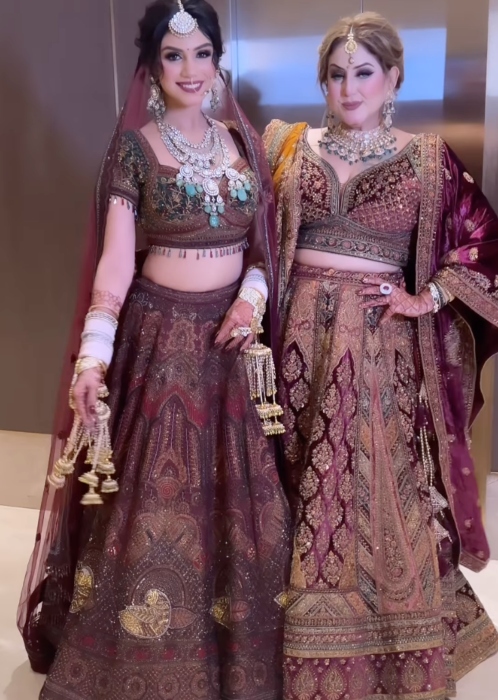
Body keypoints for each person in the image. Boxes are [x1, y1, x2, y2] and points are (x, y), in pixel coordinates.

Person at [17, 2, 291, 698]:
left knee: (236, 501)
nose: (190, 70)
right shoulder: (134, 150)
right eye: (174, 56)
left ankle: (238, 655)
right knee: (153, 506)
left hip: (231, 344)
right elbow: (115, 263)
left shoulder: (242, 143)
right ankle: (144, 658)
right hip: (160, 339)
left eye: (202, 54)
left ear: (218, 60)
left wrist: (250, 301)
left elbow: (263, 249)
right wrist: (92, 357)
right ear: (152, 65)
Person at [263, 11, 498, 700]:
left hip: (376, 347)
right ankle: (274, 641)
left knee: (371, 489)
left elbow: (482, 240)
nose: (349, 87)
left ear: (393, 78)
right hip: (295, 344)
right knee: (289, 479)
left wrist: (429, 297)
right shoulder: (288, 146)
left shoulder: (427, 157)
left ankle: (382, 652)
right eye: (336, 74)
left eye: (364, 72)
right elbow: (250, 230)